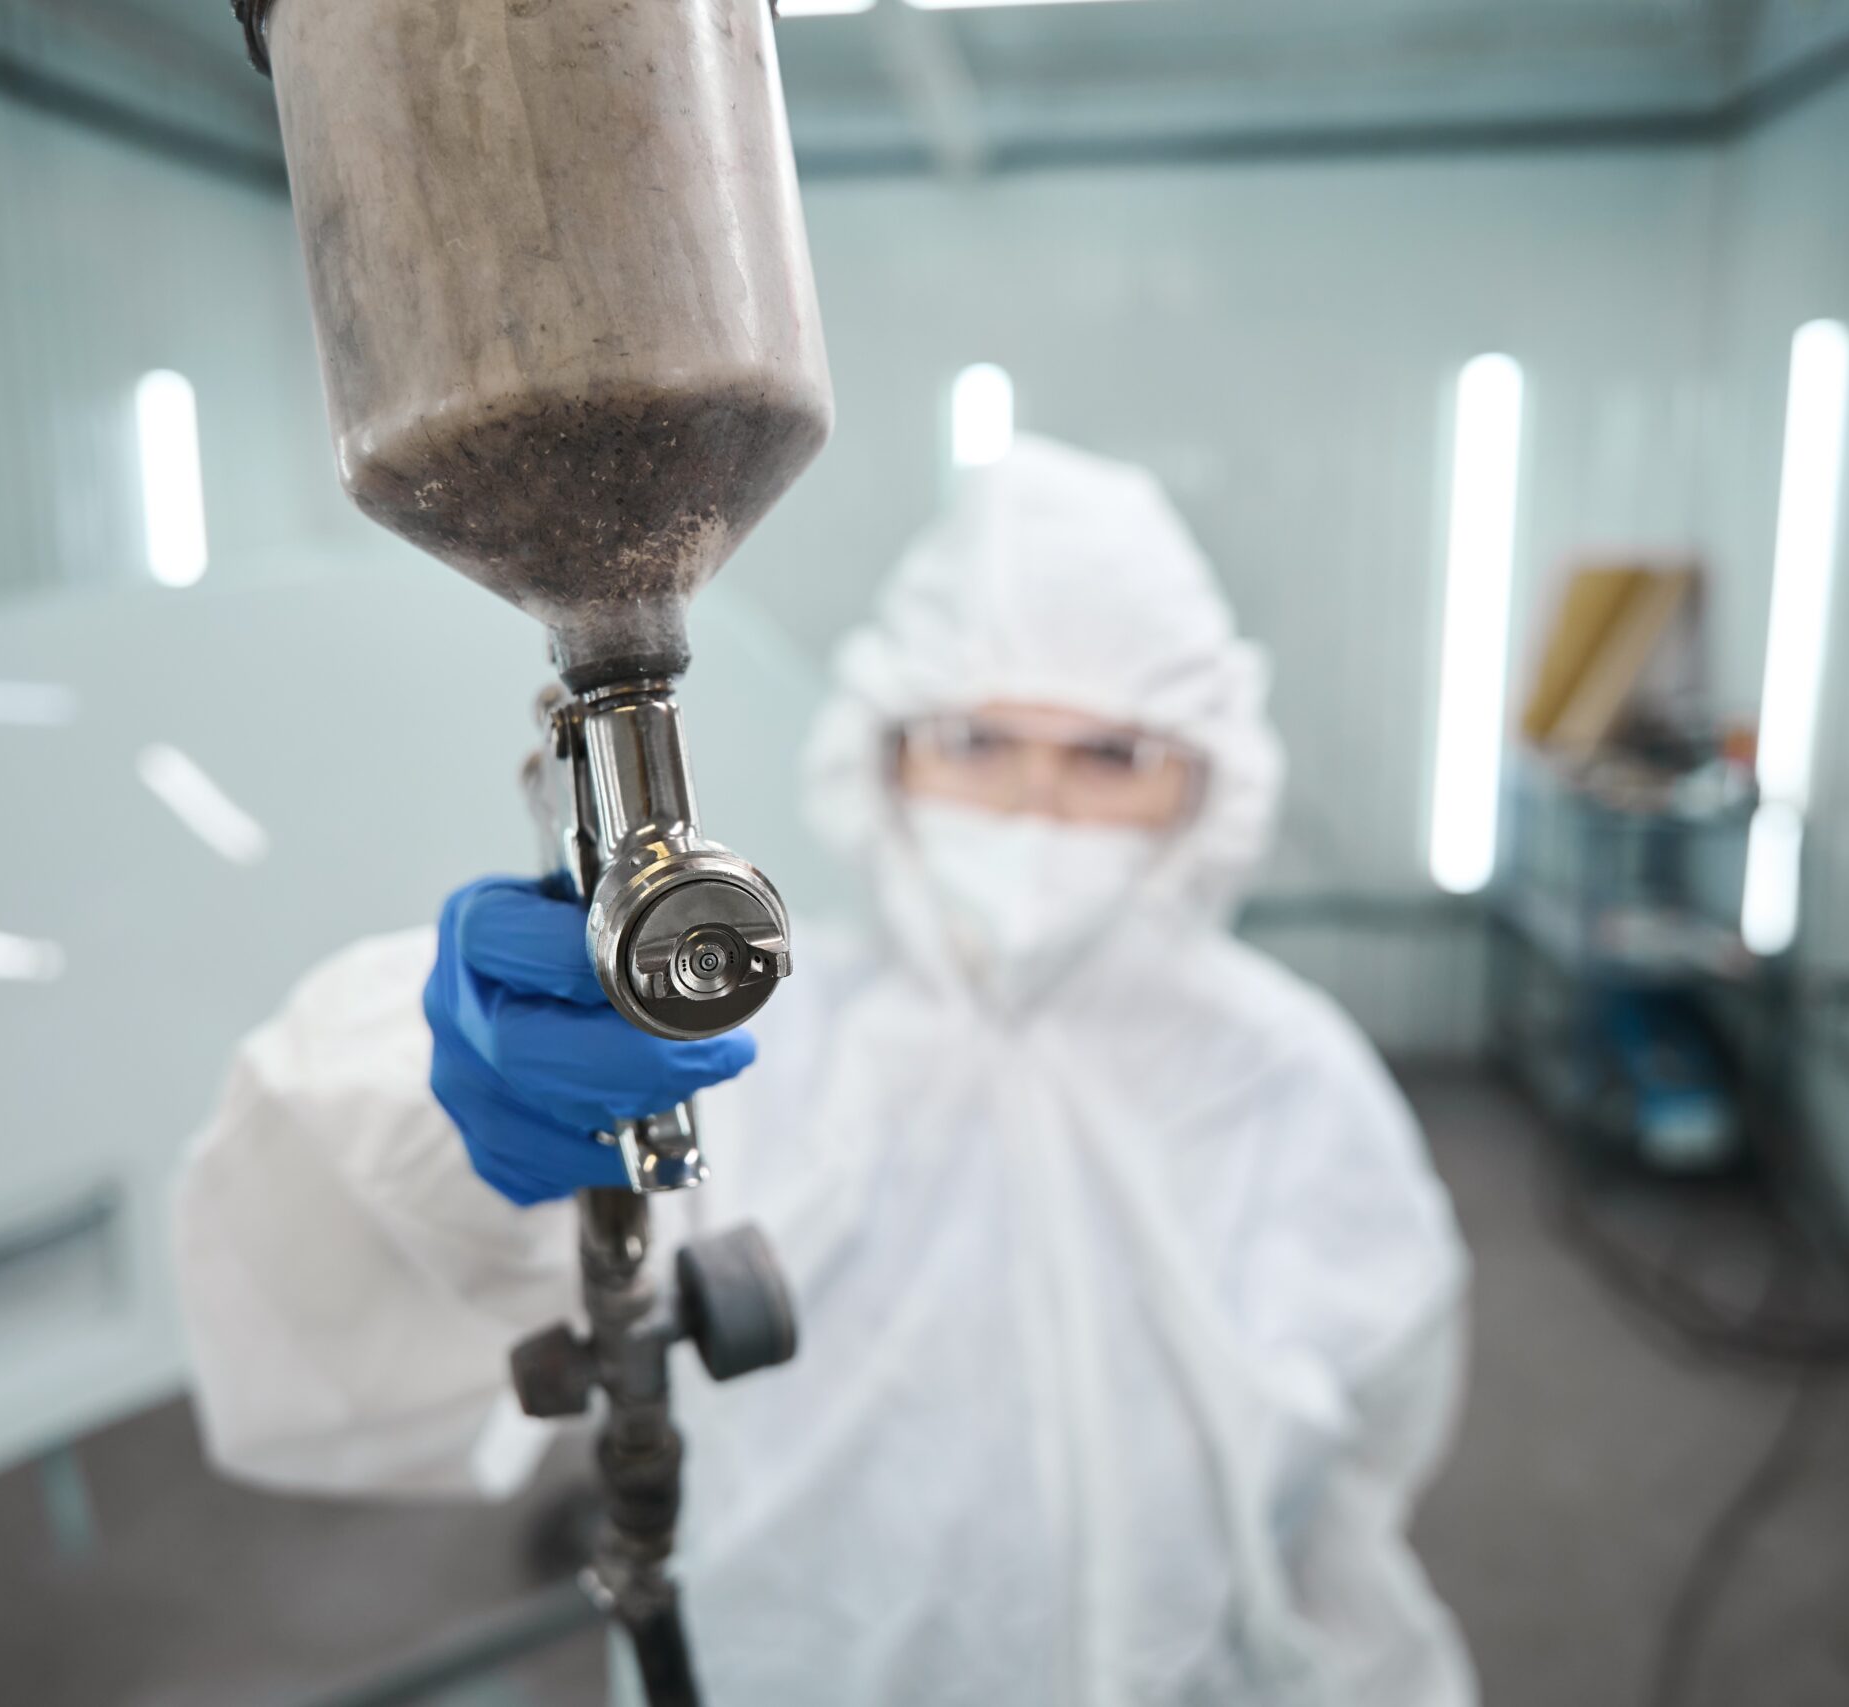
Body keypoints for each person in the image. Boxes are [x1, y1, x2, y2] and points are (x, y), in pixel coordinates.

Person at [173, 435, 1476, 1706]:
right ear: (885, 754)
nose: (1035, 807)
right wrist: (440, 1116)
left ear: (1206, 782)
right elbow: (337, 1361)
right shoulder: (747, 1053)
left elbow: (1357, 1499)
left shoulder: (1291, 1082)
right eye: (975, 742)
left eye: (1110, 756)